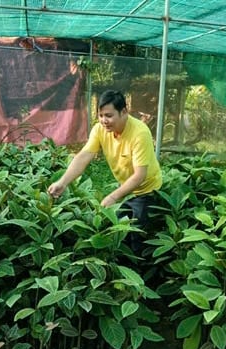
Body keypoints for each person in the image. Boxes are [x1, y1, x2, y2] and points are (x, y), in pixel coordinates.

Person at [48, 90, 162, 255]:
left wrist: (113, 196)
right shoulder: (100, 129)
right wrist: (63, 182)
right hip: (126, 187)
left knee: (136, 236)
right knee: (115, 228)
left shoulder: (140, 133)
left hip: (146, 189)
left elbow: (139, 176)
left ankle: (139, 272)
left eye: (108, 115)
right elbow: (84, 156)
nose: (103, 121)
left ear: (124, 111)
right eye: (100, 115)